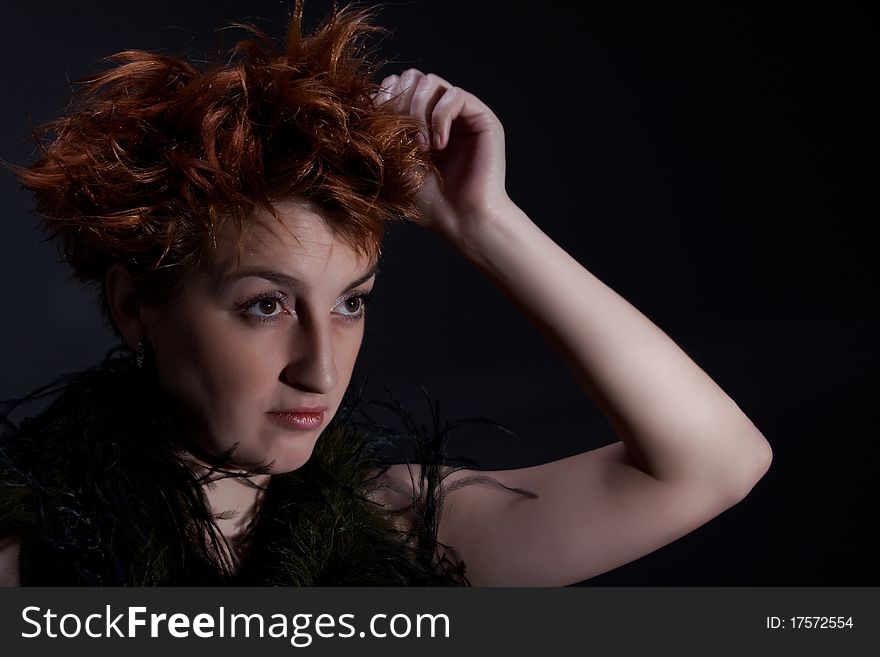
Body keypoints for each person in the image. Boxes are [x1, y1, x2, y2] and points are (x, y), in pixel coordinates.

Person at [0, 2, 771, 586]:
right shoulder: (21, 557)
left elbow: (712, 462)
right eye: (265, 304)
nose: (321, 369)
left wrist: (484, 223)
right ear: (136, 306)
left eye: (351, 302)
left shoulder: (400, 530)